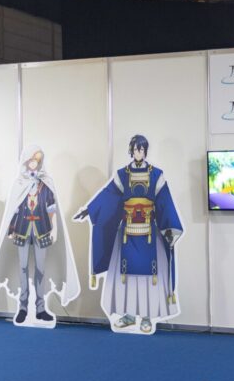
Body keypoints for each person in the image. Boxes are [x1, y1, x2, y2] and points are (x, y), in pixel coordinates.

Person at [74, 135, 183, 334]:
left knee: (150, 276)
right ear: (131, 151)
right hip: (127, 233)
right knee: (127, 276)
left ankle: (147, 316)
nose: (138, 152)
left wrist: (170, 227)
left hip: (149, 234)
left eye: (141, 149)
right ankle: (130, 314)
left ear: (145, 151)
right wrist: (90, 210)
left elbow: (164, 202)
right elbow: (108, 196)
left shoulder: (156, 175)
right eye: (135, 149)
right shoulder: (122, 175)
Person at [0, 145, 79, 325]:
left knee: (40, 269)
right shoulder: (19, 183)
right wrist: (11, 229)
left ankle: (40, 308)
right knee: (22, 267)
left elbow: (51, 207)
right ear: (26, 161)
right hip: (22, 228)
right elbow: (14, 208)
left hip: (41, 229)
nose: (34, 163)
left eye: (38, 160)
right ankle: (22, 307)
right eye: (32, 160)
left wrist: (54, 228)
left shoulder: (46, 182)